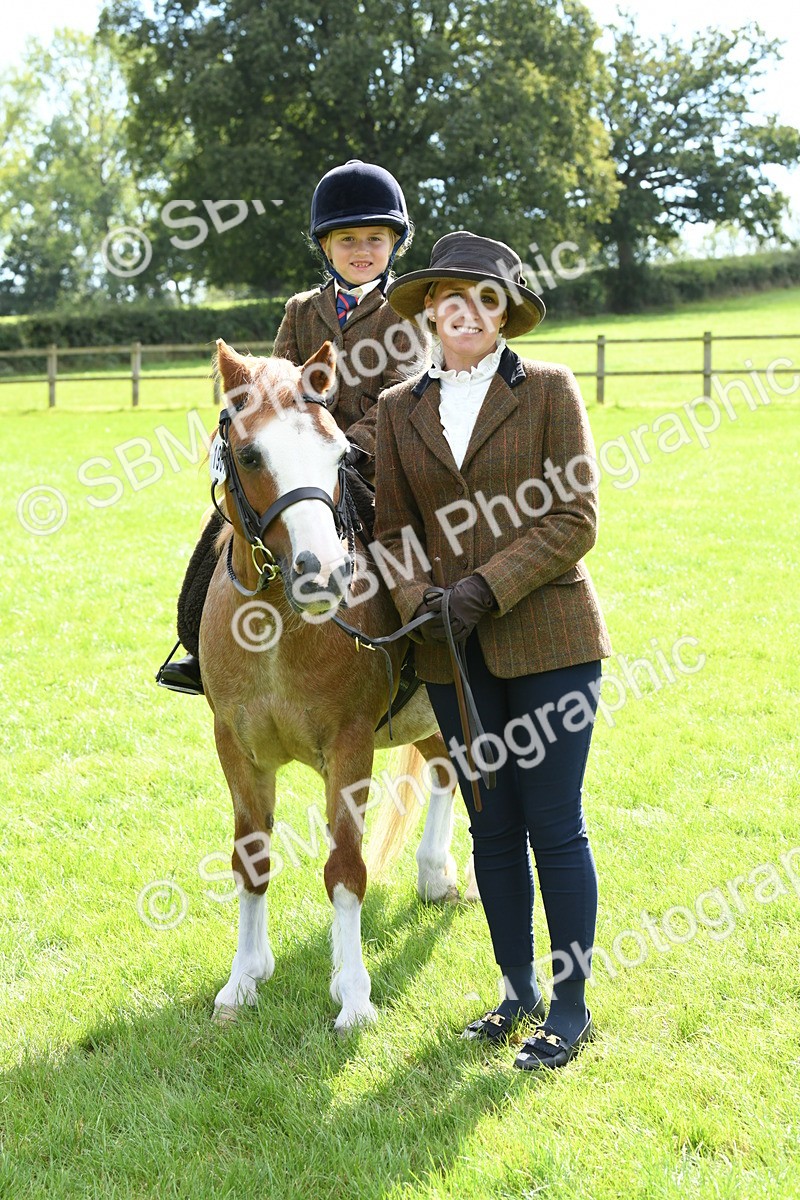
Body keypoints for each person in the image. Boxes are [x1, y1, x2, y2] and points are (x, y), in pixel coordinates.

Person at [373, 231, 612, 1070]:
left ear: (504, 310)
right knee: (491, 826)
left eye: (483, 298)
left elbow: (576, 517)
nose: (464, 311)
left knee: (554, 826)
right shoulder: (400, 409)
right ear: (430, 310)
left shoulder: (549, 389)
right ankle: (517, 993)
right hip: (449, 652)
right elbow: (392, 530)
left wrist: (481, 589)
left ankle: (572, 1007)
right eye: (449, 297)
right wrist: (418, 602)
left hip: (549, 639)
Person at [157, 159, 416, 694]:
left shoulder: (405, 313)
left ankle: (423, 647)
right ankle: (196, 647)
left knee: (404, 542)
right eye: (347, 239)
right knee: (221, 530)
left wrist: (341, 447)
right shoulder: (301, 310)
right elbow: (270, 382)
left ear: (394, 243)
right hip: (292, 460)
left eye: (375, 238)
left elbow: (400, 399)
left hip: (369, 462)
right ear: (326, 247)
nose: (361, 250)